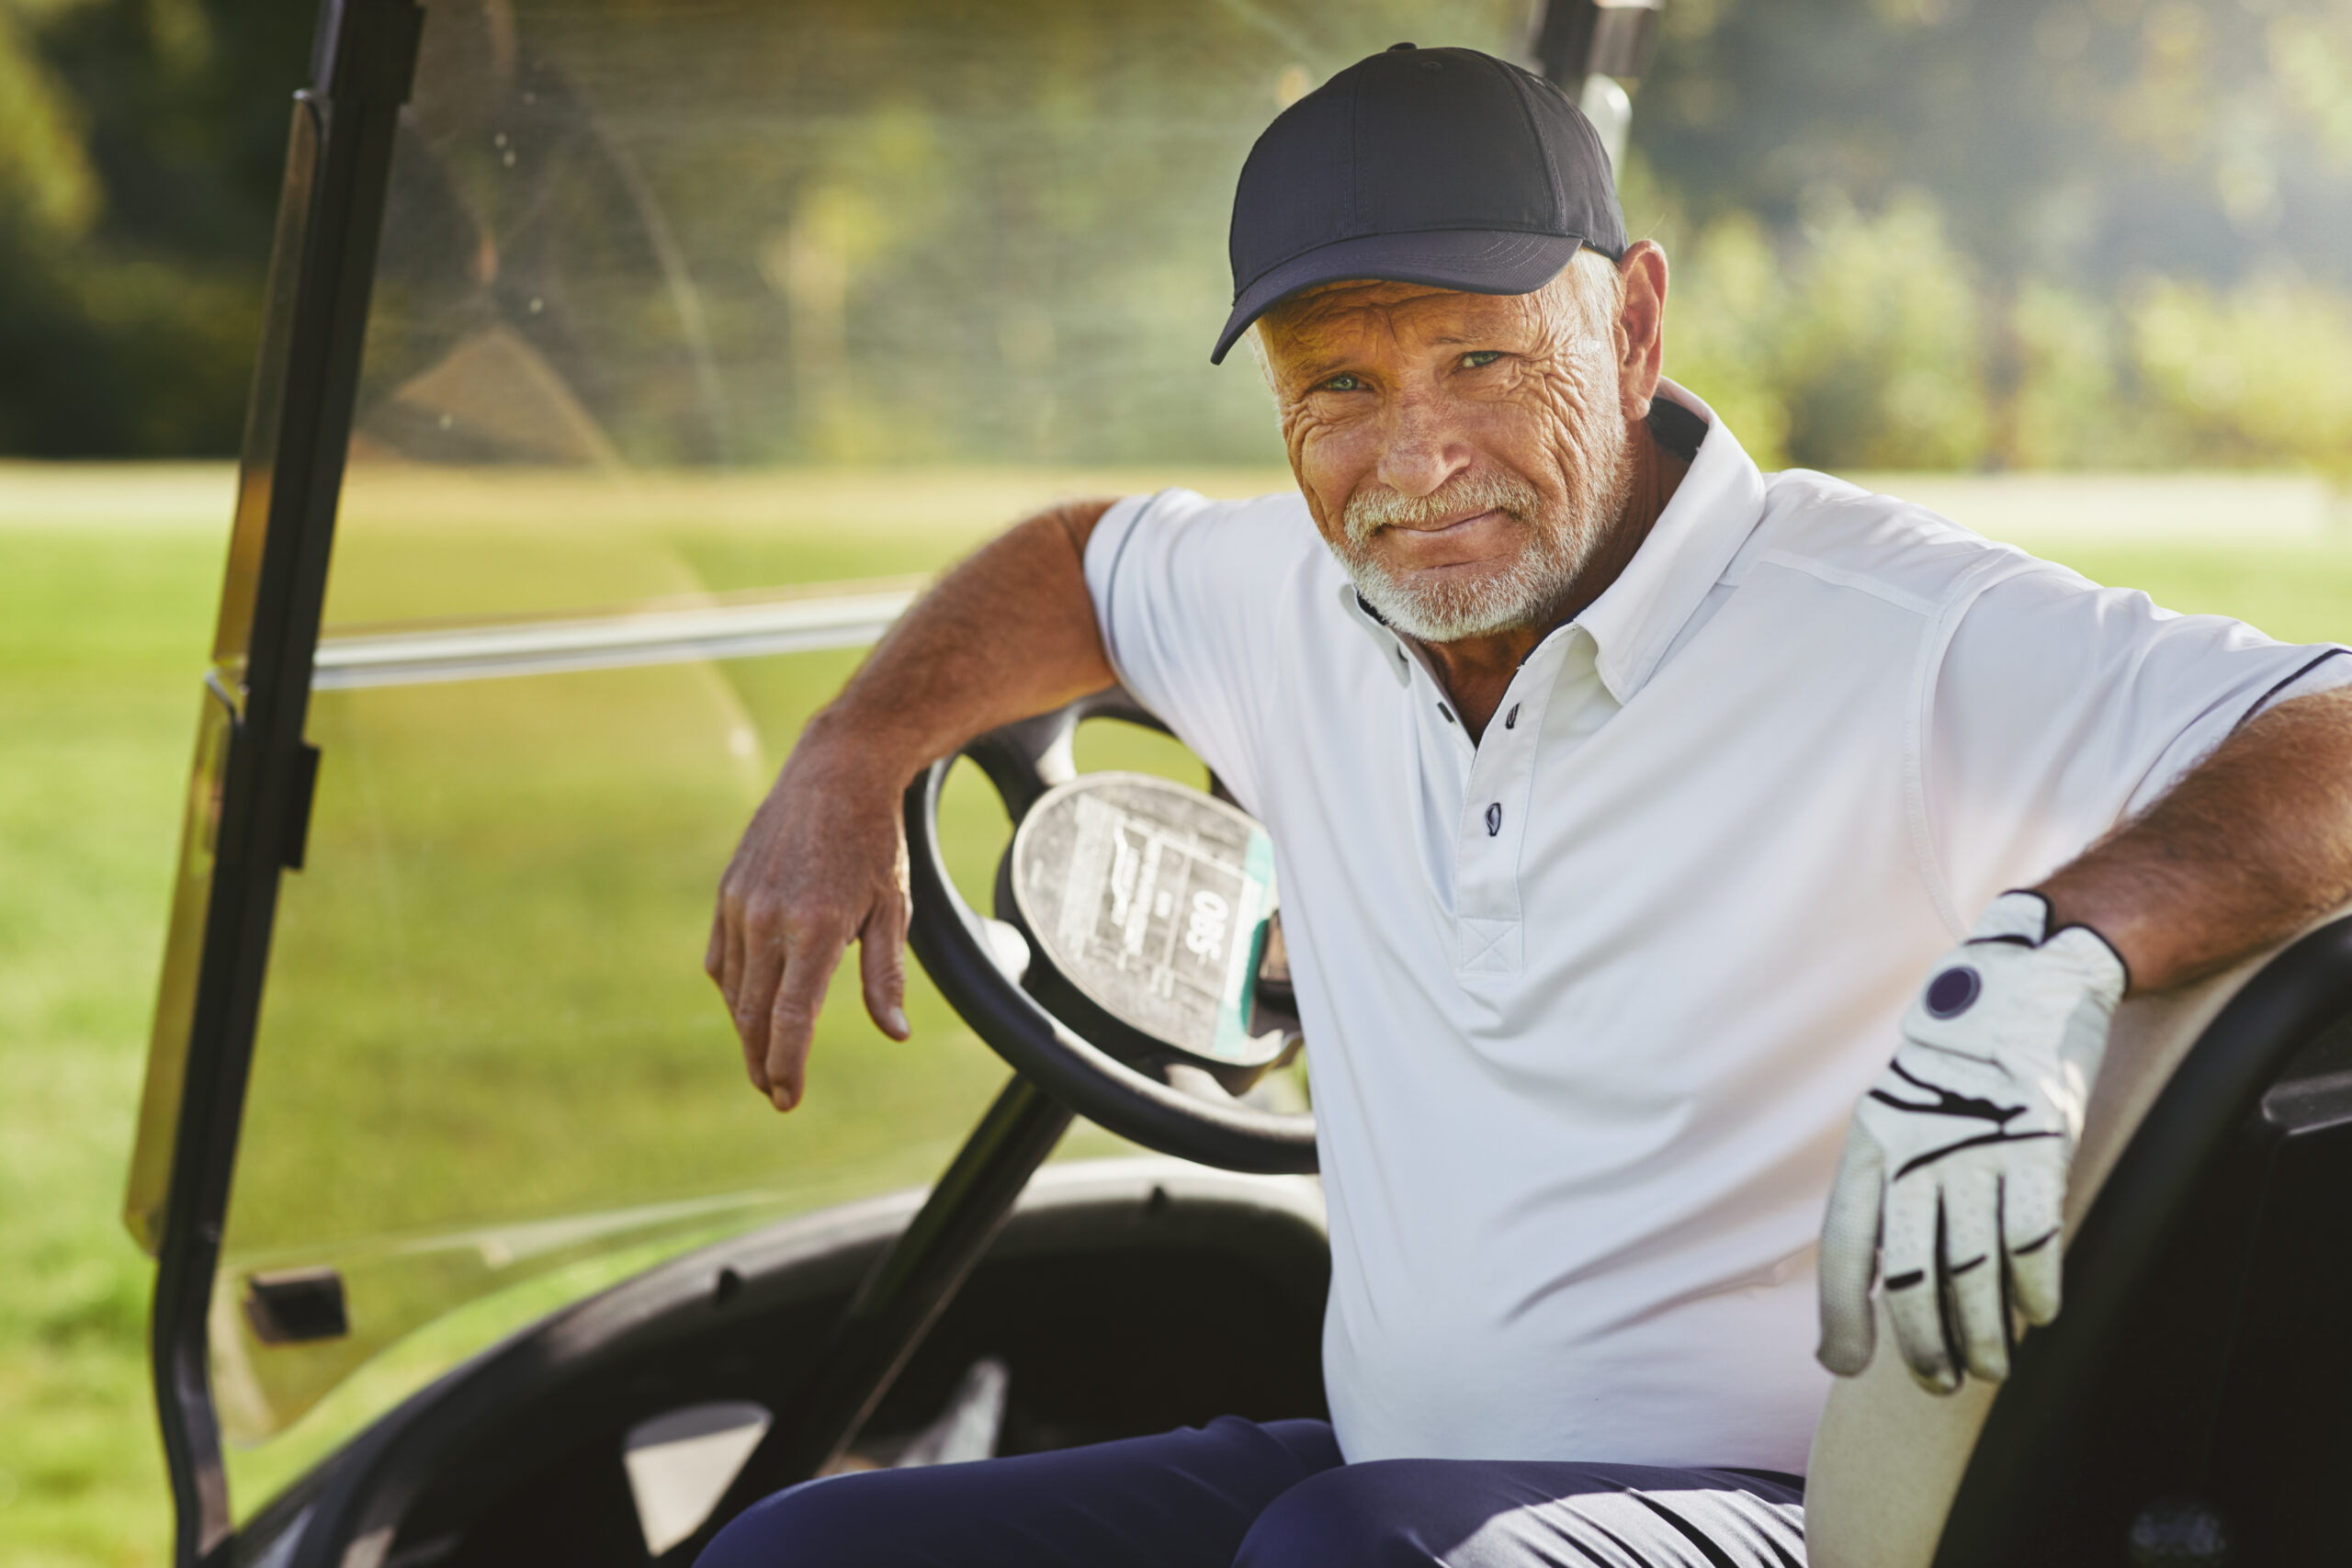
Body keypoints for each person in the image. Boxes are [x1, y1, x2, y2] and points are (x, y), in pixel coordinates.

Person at [699, 43, 2352, 1568]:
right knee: (801, 1554)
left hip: (1795, 1513)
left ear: (1632, 330)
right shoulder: (1289, 593)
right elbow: (1077, 564)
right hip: (1385, 1482)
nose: (1414, 462)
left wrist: (2061, 950)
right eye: (1334, 386)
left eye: (1479, 358)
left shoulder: (1902, 636)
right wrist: (853, 748)